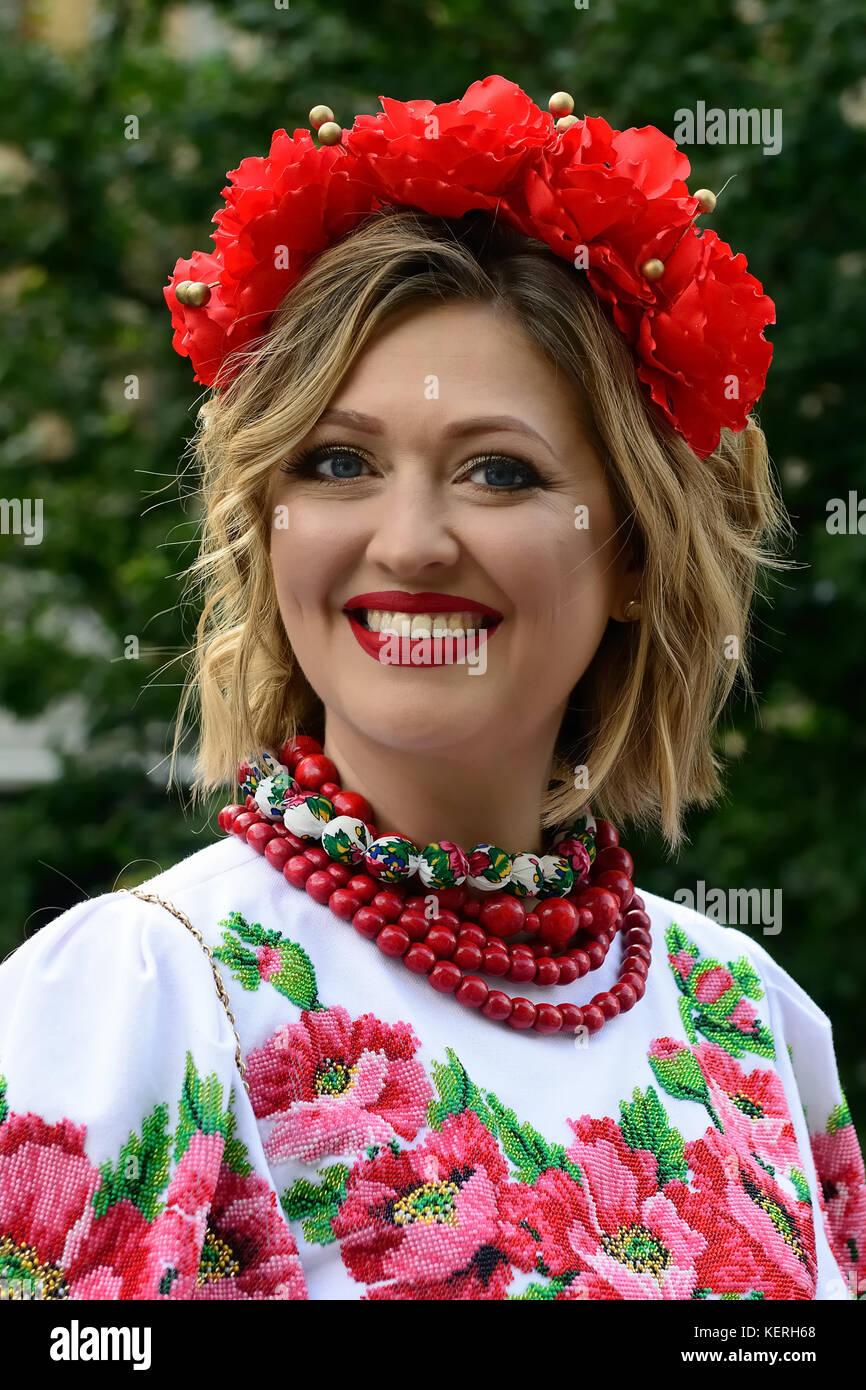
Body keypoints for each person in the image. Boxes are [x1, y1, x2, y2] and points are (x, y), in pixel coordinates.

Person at [1, 76, 863, 1302]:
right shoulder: (149, 1000)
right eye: (337, 462)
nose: (408, 542)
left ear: (632, 553)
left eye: (498, 472)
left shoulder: (746, 1019)